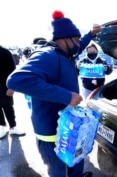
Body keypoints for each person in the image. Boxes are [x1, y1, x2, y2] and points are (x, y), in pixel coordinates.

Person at [7, 10, 102, 177]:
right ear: (65, 39)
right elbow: (16, 80)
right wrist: (67, 96)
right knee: (58, 171)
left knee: (75, 162)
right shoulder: (47, 55)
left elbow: (79, 48)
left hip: (69, 127)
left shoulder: (67, 54)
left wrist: (91, 34)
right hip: (52, 134)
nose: (79, 44)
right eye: (77, 40)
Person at [0, 45, 25, 139]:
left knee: (8, 106)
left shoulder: (5, 52)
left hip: (4, 85)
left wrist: (12, 87)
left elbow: (13, 70)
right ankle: (2, 126)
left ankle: (13, 127)